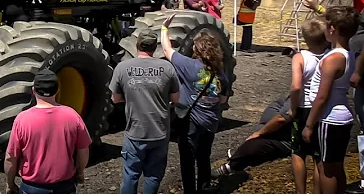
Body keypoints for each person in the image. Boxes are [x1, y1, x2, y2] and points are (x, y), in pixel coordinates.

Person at [160, 13, 229, 194]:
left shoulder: (189, 66)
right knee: (204, 157)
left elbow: (167, 50)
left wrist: (164, 28)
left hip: (190, 122)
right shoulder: (221, 74)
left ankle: (190, 191)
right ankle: (204, 188)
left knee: (187, 161)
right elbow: (223, 99)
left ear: (196, 50)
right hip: (210, 123)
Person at [109, 29, 180, 194]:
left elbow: (116, 99)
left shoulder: (122, 67)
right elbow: (176, 99)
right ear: (155, 47)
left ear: (137, 45)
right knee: (153, 176)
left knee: (130, 175)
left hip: (135, 132)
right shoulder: (167, 67)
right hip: (160, 132)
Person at [4, 69, 91, 194]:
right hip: (64, 186)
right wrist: (80, 172)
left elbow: (10, 157)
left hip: (32, 188)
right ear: (57, 90)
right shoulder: (73, 116)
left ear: (33, 91)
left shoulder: (22, 119)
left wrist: (10, 183)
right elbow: (83, 151)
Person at [303, 7, 360, 194]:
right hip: (341, 115)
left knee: (327, 170)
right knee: (336, 167)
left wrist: (309, 125)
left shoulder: (333, 58)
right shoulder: (348, 53)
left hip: (329, 118)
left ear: (333, 29)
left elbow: (322, 96)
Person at [290, 19, 331, 194]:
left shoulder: (300, 57)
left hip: (304, 107)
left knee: (298, 152)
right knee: (318, 156)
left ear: (305, 38)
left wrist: (293, 108)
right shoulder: (331, 55)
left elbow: (296, 86)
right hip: (322, 108)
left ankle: (300, 192)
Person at [212, 96, 294, 178]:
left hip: (280, 140)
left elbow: (282, 119)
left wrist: (260, 133)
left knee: (253, 147)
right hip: (272, 134)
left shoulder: (300, 95)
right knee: (252, 143)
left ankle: (229, 168)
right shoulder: (298, 92)